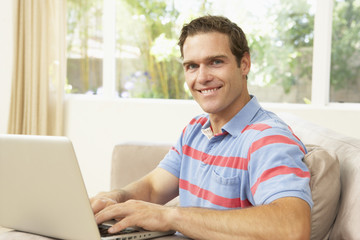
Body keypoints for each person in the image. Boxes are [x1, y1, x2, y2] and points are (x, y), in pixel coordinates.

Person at [91, 15, 313, 240]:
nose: (202, 77)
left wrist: (171, 216)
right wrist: (116, 198)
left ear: (244, 64)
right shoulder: (196, 130)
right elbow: (152, 188)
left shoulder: (268, 138)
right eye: (192, 66)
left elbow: (293, 228)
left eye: (216, 62)